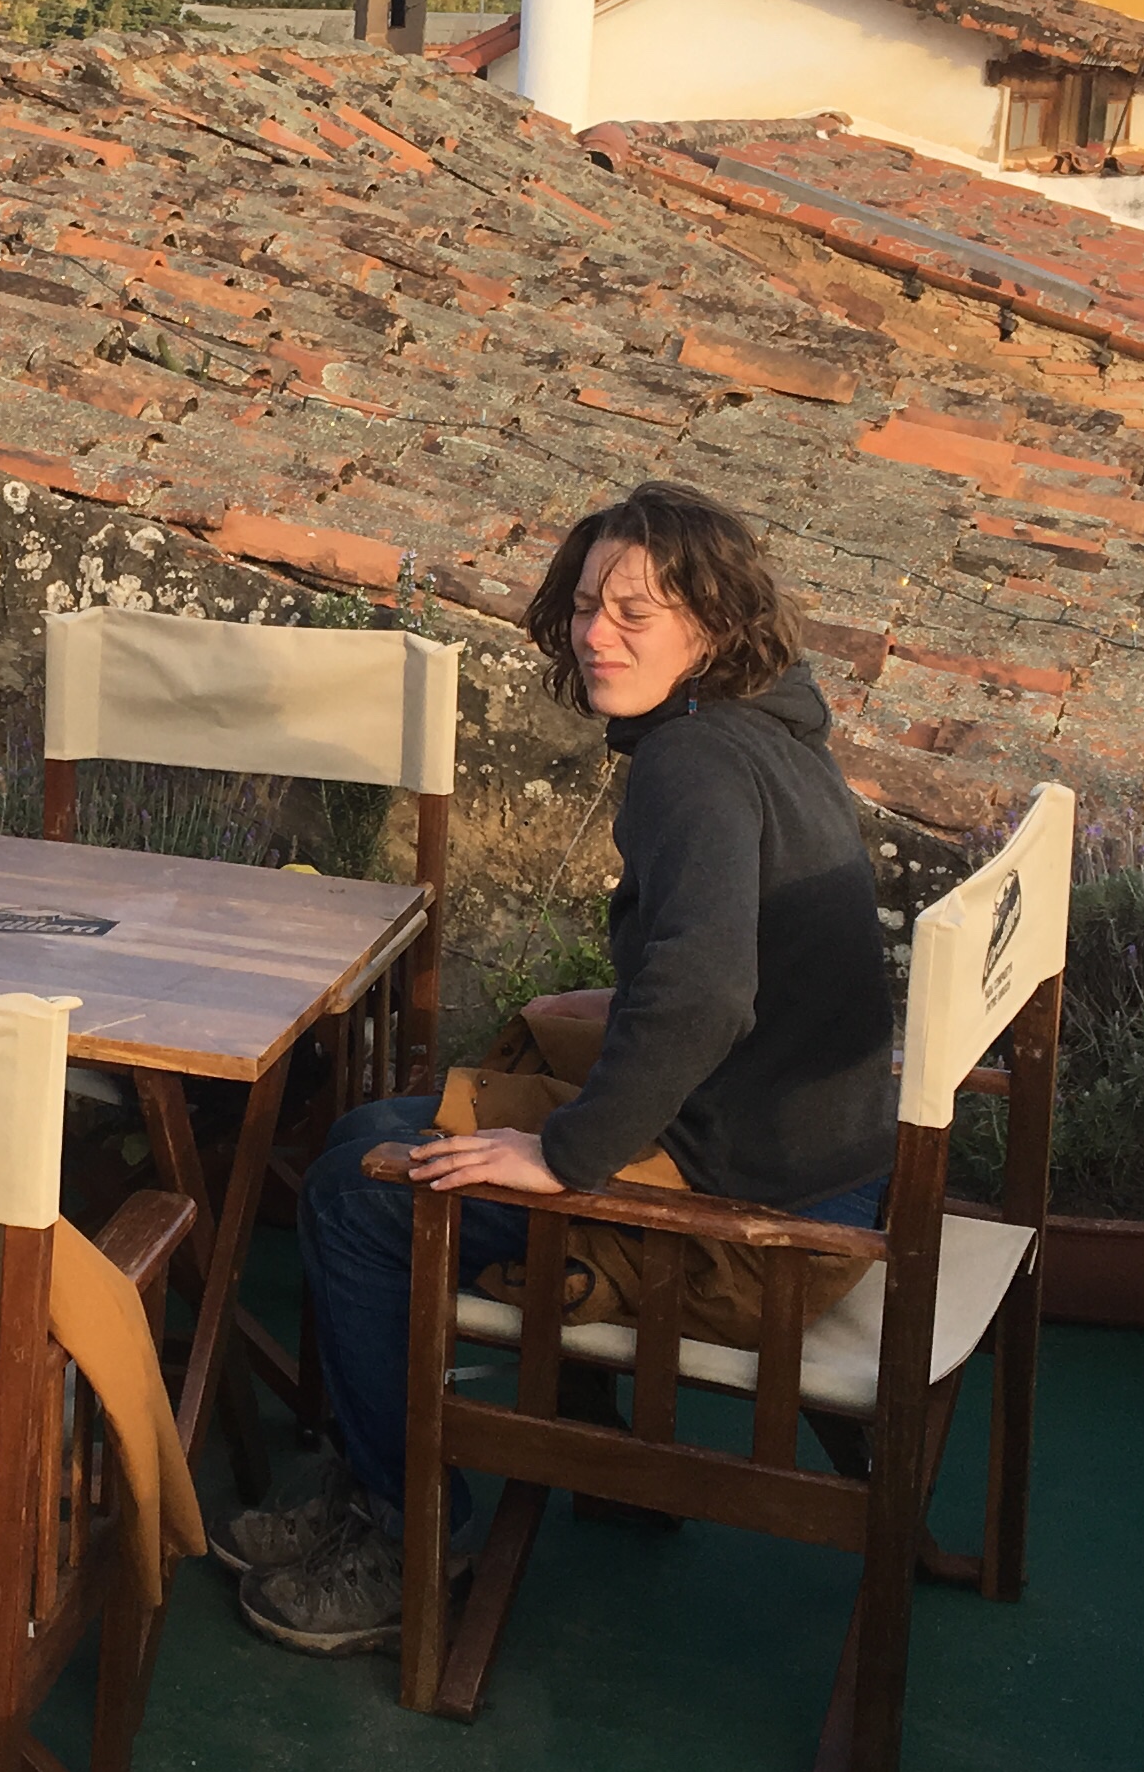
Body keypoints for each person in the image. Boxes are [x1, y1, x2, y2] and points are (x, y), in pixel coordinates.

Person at [232, 480, 901, 1655]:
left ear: (714, 625)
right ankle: (375, 1477)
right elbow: (751, 967)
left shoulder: (692, 763)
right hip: (817, 1166)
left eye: (635, 613)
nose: (597, 635)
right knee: (364, 1136)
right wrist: (612, 1019)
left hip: (762, 1227)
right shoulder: (776, 731)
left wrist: (568, 1154)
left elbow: (708, 993)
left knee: (355, 1195)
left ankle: (409, 1534)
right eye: (588, 606)